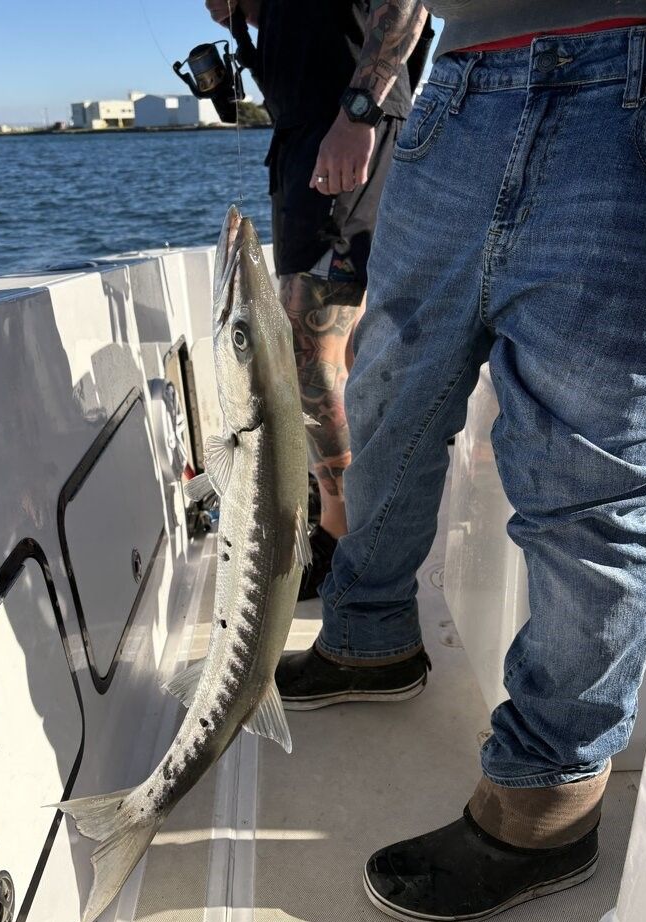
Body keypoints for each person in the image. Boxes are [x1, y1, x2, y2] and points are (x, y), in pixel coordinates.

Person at [276, 2, 646, 922]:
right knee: (385, 400)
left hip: (629, 83)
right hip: (460, 89)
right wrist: (366, 101)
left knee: (585, 478)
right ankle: (370, 635)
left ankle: (545, 799)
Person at [204, 0, 423, 599]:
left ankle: (342, 535)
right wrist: (245, 13)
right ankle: (352, 515)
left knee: (310, 350)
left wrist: (358, 113)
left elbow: (405, 6)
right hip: (301, 141)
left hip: (346, 129)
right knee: (344, 348)